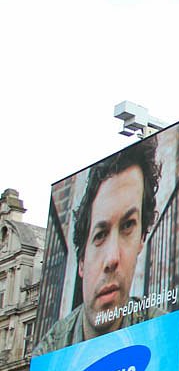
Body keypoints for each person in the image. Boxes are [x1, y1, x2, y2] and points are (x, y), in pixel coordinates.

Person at [34, 140, 162, 355]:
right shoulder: (49, 353)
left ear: (141, 239)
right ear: (81, 261)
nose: (112, 258)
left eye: (128, 225)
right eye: (100, 235)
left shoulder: (161, 331)